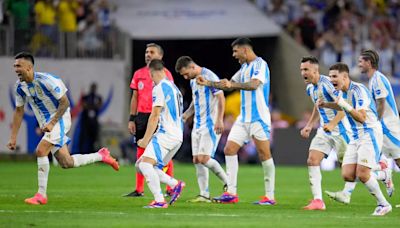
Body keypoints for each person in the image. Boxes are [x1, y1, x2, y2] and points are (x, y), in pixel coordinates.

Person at [7, 52, 119, 205]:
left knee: (41, 150)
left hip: (60, 119)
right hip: (48, 124)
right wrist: (13, 137)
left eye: (18, 65)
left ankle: (41, 195)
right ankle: (101, 155)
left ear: (29, 67)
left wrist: (52, 123)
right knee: (67, 162)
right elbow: (19, 111)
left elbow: (65, 103)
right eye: (14, 66)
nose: (15, 69)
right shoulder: (20, 87)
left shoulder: (48, 81)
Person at [196, 38, 275, 205]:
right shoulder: (244, 67)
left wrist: (233, 84)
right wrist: (209, 83)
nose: (233, 55)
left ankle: (270, 196)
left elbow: (253, 85)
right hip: (243, 118)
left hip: (258, 118)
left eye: (235, 51)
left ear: (245, 50)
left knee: (264, 154)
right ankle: (231, 193)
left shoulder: (260, 64)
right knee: (229, 149)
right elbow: (229, 85)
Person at [318, 62, 392, 216]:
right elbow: (342, 106)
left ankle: (383, 204)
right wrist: (327, 104)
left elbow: (362, 118)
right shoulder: (340, 92)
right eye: (330, 76)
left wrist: (344, 104)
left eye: (334, 76)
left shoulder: (359, 90)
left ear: (345, 77)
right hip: (355, 136)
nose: (331, 79)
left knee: (363, 174)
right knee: (348, 175)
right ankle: (383, 172)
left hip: (369, 133)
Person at [299, 56, 351, 210]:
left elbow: (345, 107)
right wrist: (309, 125)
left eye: (306, 69)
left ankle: (382, 175)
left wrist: (333, 123)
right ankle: (318, 201)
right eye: (301, 69)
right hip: (324, 131)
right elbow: (318, 106)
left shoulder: (328, 84)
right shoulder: (310, 88)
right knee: (312, 160)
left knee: (352, 171)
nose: (302, 73)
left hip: (342, 130)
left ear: (315, 71)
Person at [175, 56, 228, 203]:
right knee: (197, 160)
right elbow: (195, 100)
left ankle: (229, 183)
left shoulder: (208, 76)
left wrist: (219, 119)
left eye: (186, 73)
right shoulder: (193, 81)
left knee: (204, 158)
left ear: (192, 67)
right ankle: (204, 194)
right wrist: (186, 115)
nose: (185, 77)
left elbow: (220, 96)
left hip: (210, 124)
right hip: (197, 125)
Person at [125, 43, 175, 197]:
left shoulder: (166, 74)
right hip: (142, 116)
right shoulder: (138, 73)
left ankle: (170, 188)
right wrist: (132, 119)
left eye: (152, 52)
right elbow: (135, 97)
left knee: (162, 153)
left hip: (158, 115)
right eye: (146, 52)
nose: (148, 54)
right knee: (141, 150)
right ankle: (139, 189)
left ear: (160, 56)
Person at [135, 59, 185, 208]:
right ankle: (175, 184)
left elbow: (155, 115)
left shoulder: (159, 87)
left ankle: (159, 200)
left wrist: (145, 139)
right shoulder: (174, 87)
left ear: (151, 73)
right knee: (144, 165)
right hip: (178, 136)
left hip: (166, 134)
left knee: (144, 165)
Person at [79, 82, 102, 154]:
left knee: (94, 139)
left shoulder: (98, 97)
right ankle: (82, 153)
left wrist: (91, 106)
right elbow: (84, 105)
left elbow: (99, 105)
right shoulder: (86, 97)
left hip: (94, 122)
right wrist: (92, 106)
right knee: (84, 138)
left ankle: (93, 154)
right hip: (86, 121)